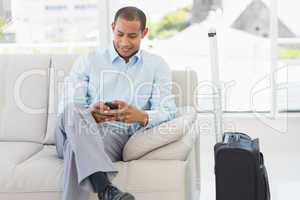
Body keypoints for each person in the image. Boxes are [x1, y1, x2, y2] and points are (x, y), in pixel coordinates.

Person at [55, 6, 177, 200]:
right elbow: (66, 107)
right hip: (71, 127)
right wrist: (90, 113)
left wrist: (141, 116)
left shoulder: (157, 66)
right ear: (112, 27)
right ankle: (105, 189)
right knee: (72, 112)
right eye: (120, 34)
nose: (124, 42)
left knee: (75, 147)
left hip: (112, 137)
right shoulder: (88, 60)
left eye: (132, 36)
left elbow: (168, 110)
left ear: (144, 33)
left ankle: (104, 189)